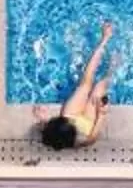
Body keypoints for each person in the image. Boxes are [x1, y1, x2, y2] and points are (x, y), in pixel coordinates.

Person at [36, 21, 116, 150]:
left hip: (71, 114)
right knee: (99, 88)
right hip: (87, 124)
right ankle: (112, 69)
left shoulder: (61, 125)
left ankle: (104, 40)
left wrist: (44, 119)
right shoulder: (79, 141)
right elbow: (92, 138)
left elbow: (51, 130)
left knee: (85, 84)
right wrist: (102, 114)